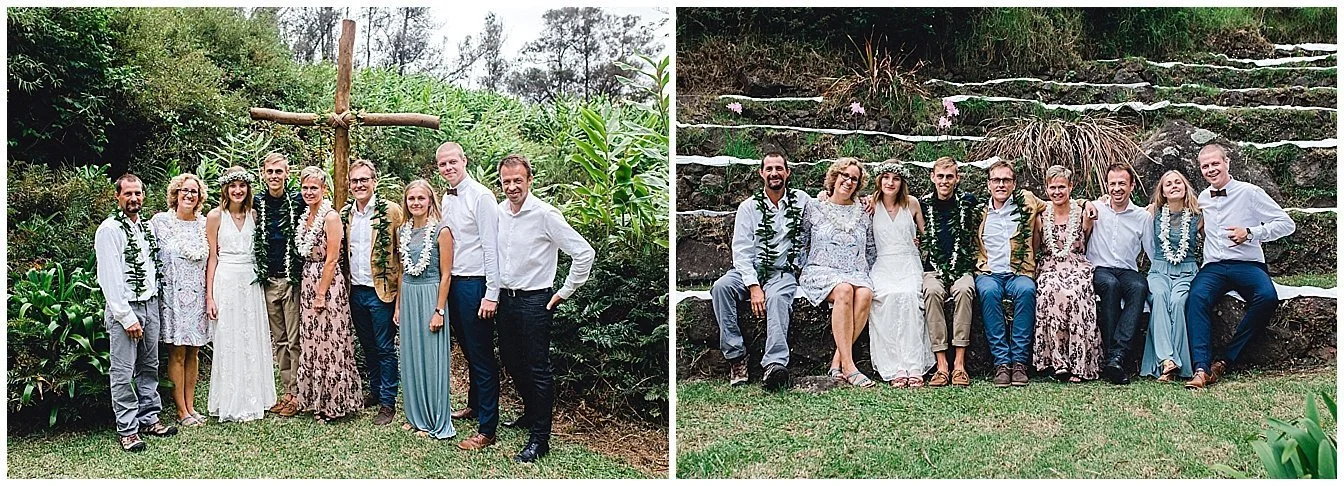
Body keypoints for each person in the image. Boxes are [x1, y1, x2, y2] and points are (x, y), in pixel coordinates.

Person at [495, 154, 595, 463]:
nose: (512, 187)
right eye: (506, 181)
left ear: (529, 181)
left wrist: (564, 293)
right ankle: (529, 414)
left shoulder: (545, 214)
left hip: (536, 300)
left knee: (537, 368)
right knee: (512, 361)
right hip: (505, 299)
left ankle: (540, 438)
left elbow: (584, 253)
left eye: (518, 181)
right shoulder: (499, 212)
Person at [1184, 144, 1295, 389]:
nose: (1211, 169)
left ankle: (1224, 360)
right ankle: (1201, 369)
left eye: (1215, 163)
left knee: (1267, 297)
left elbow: (1287, 224)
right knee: (1196, 297)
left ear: (1227, 163)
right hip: (1213, 266)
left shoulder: (1250, 192)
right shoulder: (1203, 198)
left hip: (1248, 264)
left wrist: (1251, 232)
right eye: (1205, 166)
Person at [710, 151, 809, 391]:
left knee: (777, 298)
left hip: (782, 270)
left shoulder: (802, 200)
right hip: (750, 269)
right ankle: (736, 357)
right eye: (769, 169)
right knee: (721, 287)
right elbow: (741, 251)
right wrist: (753, 286)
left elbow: (829, 203)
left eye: (779, 168)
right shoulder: (749, 207)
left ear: (787, 172)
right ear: (761, 173)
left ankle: (774, 364)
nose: (774, 173)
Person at [95, 173, 178, 452]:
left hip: (150, 303)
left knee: (149, 366)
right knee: (123, 370)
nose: (134, 198)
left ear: (144, 195)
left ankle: (149, 418)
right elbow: (109, 277)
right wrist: (125, 316)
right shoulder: (110, 230)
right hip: (125, 308)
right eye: (128, 193)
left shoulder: (145, 227)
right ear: (118, 196)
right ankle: (128, 429)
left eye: (138, 193)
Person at [435, 142, 503, 452]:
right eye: (442, 164)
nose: (448, 168)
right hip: (454, 284)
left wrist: (491, 293)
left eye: (452, 162)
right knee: (468, 351)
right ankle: (474, 406)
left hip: (476, 285)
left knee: (482, 356)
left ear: (464, 161)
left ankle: (487, 428)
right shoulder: (447, 200)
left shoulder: (482, 197)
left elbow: (492, 247)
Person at [204, 167, 278, 422]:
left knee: (251, 337)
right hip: (226, 280)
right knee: (229, 339)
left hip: (250, 281)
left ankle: (255, 397)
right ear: (225, 189)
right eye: (233, 186)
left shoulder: (254, 215)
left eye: (242, 186)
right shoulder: (215, 216)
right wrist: (209, 297)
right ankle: (230, 400)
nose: (237, 190)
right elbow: (212, 258)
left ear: (248, 189)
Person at [293, 166, 363, 422]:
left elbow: (333, 258)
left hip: (327, 285)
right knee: (312, 341)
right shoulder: (306, 216)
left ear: (324, 190)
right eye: (305, 187)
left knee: (330, 342)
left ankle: (334, 404)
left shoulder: (330, 217)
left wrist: (321, 294)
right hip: (308, 281)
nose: (309, 192)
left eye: (314, 187)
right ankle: (316, 400)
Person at [799, 157, 876, 388]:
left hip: (855, 271)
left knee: (864, 294)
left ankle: (837, 361)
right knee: (844, 290)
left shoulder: (863, 211)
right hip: (821, 270)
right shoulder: (815, 206)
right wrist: (798, 270)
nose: (849, 181)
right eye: (845, 175)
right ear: (834, 177)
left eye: (855, 178)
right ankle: (851, 367)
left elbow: (870, 247)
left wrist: (867, 271)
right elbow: (802, 240)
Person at [342, 159, 404, 425]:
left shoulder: (391, 212)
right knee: (367, 346)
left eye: (364, 180)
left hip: (383, 291)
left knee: (384, 347)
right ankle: (376, 391)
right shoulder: (347, 214)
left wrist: (400, 300)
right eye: (355, 181)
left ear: (374, 182)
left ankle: (389, 402)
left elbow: (402, 256)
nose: (359, 185)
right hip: (355, 290)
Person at [975, 160, 1046, 387]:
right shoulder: (980, 212)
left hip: (1019, 272)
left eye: (1006, 180)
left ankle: (1019, 363)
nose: (1001, 184)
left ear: (1014, 184)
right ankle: (1002, 363)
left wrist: (1089, 202)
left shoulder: (1027, 203)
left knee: (1027, 291)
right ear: (989, 185)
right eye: (996, 180)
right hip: (990, 272)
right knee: (987, 293)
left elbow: (1058, 202)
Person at [396, 180, 457, 439]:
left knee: (431, 359)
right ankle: (414, 415)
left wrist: (439, 310)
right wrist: (398, 305)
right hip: (409, 295)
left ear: (430, 200)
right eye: (412, 199)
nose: (416, 203)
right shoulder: (402, 231)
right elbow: (401, 271)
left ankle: (434, 420)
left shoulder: (442, 231)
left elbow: (446, 275)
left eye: (421, 198)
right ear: (406, 203)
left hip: (431, 295)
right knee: (410, 356)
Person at [149, 173, 211, 426]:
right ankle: (181, 410)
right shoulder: (160, 222)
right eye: (184, 190)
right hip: (173, 299)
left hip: (197, 298)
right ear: (175, 194)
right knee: (177, 353)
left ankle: (192, 405)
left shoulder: (205, 224)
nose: (189, 195)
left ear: (199, 197)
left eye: (194, 192)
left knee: (193, 352)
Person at [1031, 166, 1102, 382]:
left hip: (1077, 264)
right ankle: (1058, 362)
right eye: (1052, 187)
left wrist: (1084, 202)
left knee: (1076, 293)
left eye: (1062, 187)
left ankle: (1080, 364)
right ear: (1046, 188)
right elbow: (1036, 247)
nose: (1057, 192)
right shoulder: (1041, 215)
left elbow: (1087, 241)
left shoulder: (1082, 213)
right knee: (1049, 290)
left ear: (1071, 187)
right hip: (1050, 265)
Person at [866, 161, 933, 387]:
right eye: (886, 177)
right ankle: (895, 366)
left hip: (909, 262)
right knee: (886, 297)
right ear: (879, 180)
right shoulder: (871, 204)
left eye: (895, 178)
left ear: (901, 181)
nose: (890, 182)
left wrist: (918, 241)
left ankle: (914, 365)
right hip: (883, 264)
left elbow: (926, 236)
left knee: (910, 297)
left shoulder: (911, 203)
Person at [1086, 162, 1154, 385]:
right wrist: (1086, 203)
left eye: (1122, 183)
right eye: (1112, 183)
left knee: (1139, 287)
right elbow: (1075, 205)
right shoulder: (1096, 208)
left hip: (1126, 269)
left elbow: (1152, 251)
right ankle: (1115, 356)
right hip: (1099, 268)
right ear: (1106, 186)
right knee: (1110, 286)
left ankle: (1116, 356)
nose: (1117, 188)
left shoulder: (1141, 217)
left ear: (1132, 185)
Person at [918, 157, 978, 387]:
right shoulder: (922, 205)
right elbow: (892, 202)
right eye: (940, 176)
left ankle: (959, 364)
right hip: (933, 268)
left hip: (961, 268)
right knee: (931, 292)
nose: (944, 181)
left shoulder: (968, 202)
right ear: (933, 177)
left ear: (957, 178)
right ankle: (942, 364)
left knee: (965, 290)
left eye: (949, 176)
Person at [254, 152, 304, 417]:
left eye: (279, 171)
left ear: (287, 173)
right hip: (268, 279)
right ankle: (287, 389)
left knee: (295, 339)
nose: (274, 176)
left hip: (291, 279)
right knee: (280, 339)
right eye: (270, 171)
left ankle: (298, 393)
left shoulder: (297, 200)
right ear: (263, 173)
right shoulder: (257, 202)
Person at [1140, 170, 1202, 382]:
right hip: (1159, 270)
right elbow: (1128, 217)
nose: (1174, 186)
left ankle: (1174, 362)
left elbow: (1215, 238)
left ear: (1185, 188)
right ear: (1163, 191)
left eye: (1178, 182)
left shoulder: (1198, 215)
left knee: (1178, 301)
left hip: (1187, 271)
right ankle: (1167, 360)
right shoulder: (1153, 212)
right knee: (1158, 297)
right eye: (1169, 184)